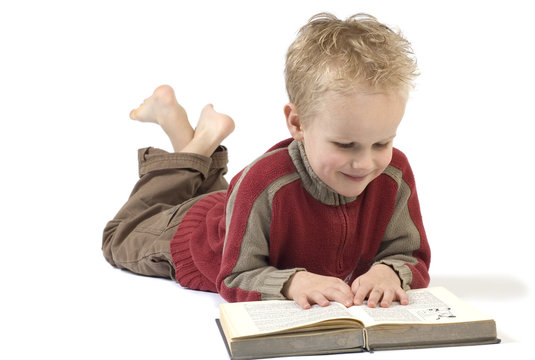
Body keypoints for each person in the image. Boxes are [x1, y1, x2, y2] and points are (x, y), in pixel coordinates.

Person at [102, 12, 430, 310]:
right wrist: (291, 282)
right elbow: (235, 276)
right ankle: (195, 143)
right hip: (193, 237)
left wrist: (390, 272)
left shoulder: (393, 174)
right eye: (346, 145)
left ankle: (190, 132)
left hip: (233, 214)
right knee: (118, 237)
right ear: (297, 124)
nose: (365, 163)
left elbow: (410, 254)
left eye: (382, 142)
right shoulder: (263, 184)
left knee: (213, 200)